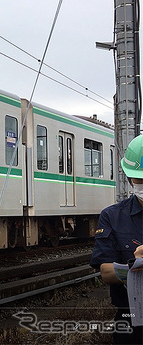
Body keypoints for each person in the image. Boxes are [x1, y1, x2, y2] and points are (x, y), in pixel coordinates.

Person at [90, 134, 143, 344]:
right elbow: (105, 272)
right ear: (130, 178)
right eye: (141, 178)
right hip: (131, 320)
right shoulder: (112, 216)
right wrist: (135, 265)